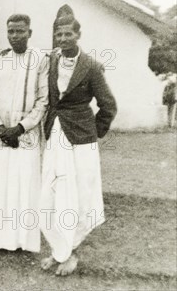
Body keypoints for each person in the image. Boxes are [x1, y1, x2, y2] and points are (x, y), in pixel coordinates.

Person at [40, 14, 117, 276]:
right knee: (51, 193)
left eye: (68, 34)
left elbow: (108, 105)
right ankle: (59, 250)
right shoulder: (50, 61)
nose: (63, 39)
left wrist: (93, 132)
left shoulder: (91, 66)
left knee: (78, 195)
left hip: (81, 140)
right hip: (54, 135)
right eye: (59, 34)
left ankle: (71, 252)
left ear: (78, 35)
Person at [0, 14, 49, 253]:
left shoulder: (40, 60)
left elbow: (43, 100)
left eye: (20, 31)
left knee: (24, 184)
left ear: (29, 32)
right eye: (11, 31)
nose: (15, 36)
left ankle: (22, 240)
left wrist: (19, 129)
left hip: (25, 136)